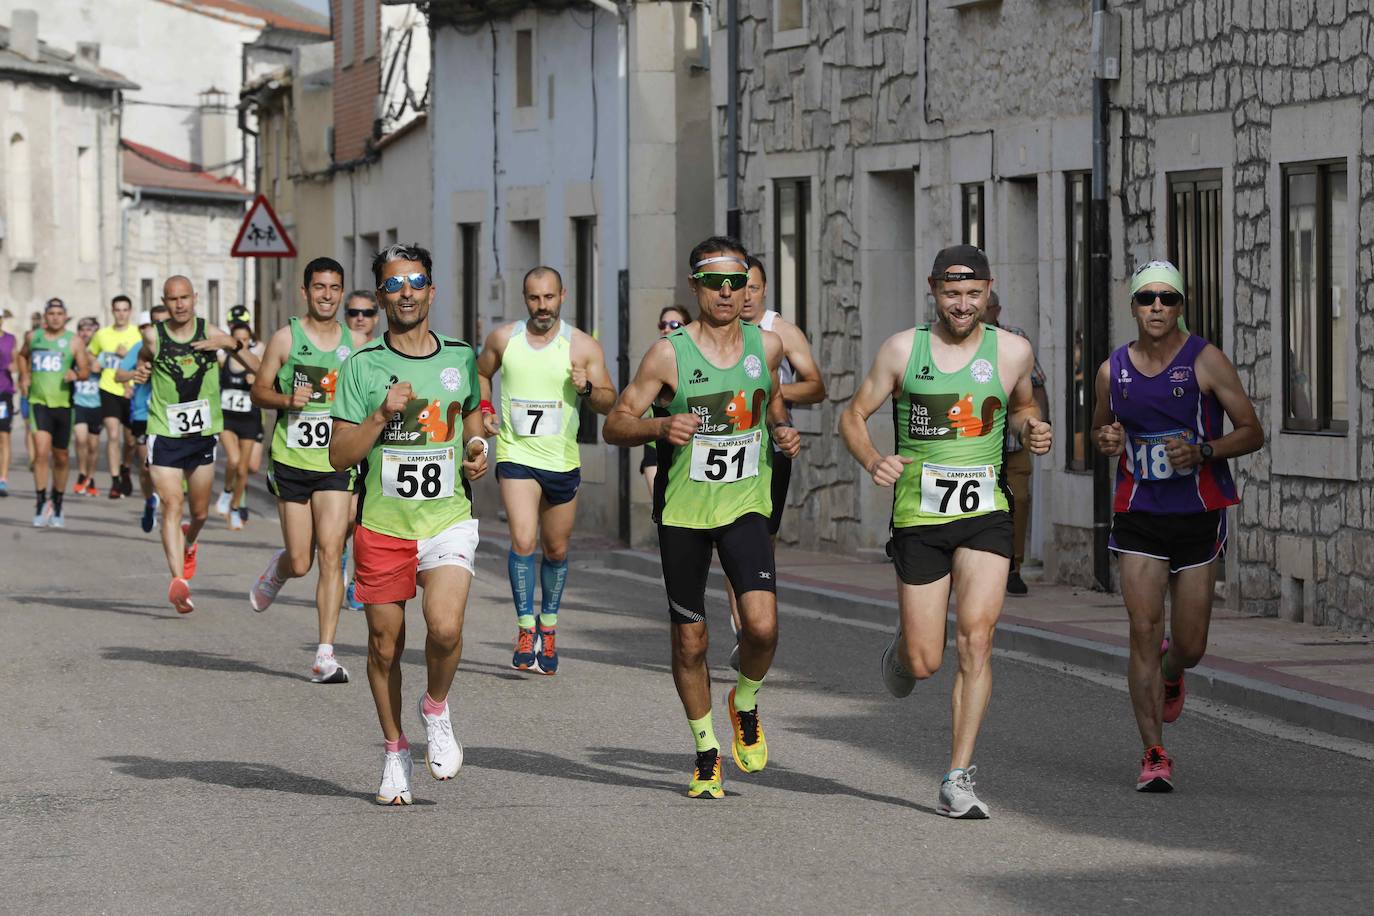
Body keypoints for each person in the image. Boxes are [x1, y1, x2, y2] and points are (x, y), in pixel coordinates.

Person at [839, 245, 1051, 819]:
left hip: (986, 512)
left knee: (977, 639)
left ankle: (958, 776)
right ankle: (904, 650)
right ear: (934, 290)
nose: (963, 305)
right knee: (926, 659)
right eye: (952, 294)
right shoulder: (904, 350)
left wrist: (1034, 429)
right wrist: (873, 460)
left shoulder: (1011, 351)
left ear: (989, 291)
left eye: (973, 294)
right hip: (919, 516)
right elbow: (852, 415)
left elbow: (1025, 406)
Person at [604, 235, 801, 799]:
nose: (725, 291)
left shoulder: (767, 348)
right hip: (685, 511)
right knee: (691, 641)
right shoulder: (669, 353)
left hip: (744, 503)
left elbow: (772, 407)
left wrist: (781, 431)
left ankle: (744, 701)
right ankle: (707, 750)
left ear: (747, 287)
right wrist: (658, 427)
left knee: (762, 627)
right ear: (695, 287)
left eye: (735, 281)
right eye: (714, 282)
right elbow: (616, 422)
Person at [1091, 260, 1263, 793]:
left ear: (1181, 305)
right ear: (1134, 307)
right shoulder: (1111, 370)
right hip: (1139, 515)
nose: (1157, 307)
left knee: (1189, 644)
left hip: (1196, 515)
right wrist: (1107, 441)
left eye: (1167, 298)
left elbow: (1253, 431)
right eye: (1147, 299)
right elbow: (1100, 427)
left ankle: (1173, 671)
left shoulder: (1205, 361)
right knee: (1143, 631)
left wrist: (1204, 450)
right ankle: (1154, 753)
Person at [329, 243, 489, 805]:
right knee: (383, 645)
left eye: (416, 281)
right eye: (394, 285)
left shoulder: (461, 357)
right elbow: (338, 456)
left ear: (432, 290)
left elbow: (472, 415)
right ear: (381, 297)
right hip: (383, 524)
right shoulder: (362, 367)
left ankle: (436, 708)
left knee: (444, 629)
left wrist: (475, 446)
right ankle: (395, 749)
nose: (407, 293)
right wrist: (380, 414)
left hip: (446, 518)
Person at [477, 266, 617, 675]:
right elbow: (482, 373)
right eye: (535, 298)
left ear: (563, 296)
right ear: (525, 298)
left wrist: (587, 387)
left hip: (561, 461)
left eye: (549, 298)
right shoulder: (505, 339)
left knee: (555, 549)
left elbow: (610, 402)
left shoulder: (583, 347)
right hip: (517, 456)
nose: (542, 306)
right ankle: (524, 627)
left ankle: (548, 627)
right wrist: (486, 410)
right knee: (523, 540)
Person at [248, 258, 369, 683]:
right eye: (320, 287)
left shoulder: (355, 345)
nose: (327, 295)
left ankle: (324, 655)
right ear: (305, 291)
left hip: (335, 462)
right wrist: (286, 402)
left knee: (331, 553)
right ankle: (278, 569)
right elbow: (259, 391)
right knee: (301, 561)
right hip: (291, 461)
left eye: (335, 288)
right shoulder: (286, 338)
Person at [726, 255, 827, 668]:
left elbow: (816, 386)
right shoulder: (716, 331)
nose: (746, 296)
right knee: (730, 535)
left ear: (765, 289)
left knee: (760, 539)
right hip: (726, 446)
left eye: (754, 287)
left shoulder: (781, 332)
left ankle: (754, 619)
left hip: (771, 446)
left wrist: (773, 396)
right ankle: (743, 629)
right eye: (740, 287)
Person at [137, 276, 257, 613]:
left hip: (202, 436)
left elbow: (257, 367)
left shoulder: (211, 331)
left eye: (184, 297)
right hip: (163, 432)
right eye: (172, 299)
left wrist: (230, 344)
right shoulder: (152, 336)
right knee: (172, 504)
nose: (179, 304)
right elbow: (142, 361)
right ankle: (179, 582)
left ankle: (190, 543)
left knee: (200, 512)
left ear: (195, 298)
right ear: (164, 300)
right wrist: (142, 369)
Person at [984, 290, 1050, 595]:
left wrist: (1040, 424)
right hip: (978, 448)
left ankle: (1013, 566)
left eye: (986, 308)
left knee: (1019, 500)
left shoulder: (1014, 339)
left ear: (997, 310)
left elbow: (1037, 386)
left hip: (1012, 442)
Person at [19, 298, 93, 527]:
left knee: (61, 457)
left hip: (63, 405)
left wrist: (75, 375)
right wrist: (24, 376)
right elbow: (22, 356)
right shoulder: (33, 337)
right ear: (45, 316)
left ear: (65, 316)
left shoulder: (74, 342)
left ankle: (58, 502)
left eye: (59, 313)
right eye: (51, 313)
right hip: (39, 402)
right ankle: (41, 501)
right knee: (41, 453)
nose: (55, 317)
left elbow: (85, 370)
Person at [342, 289, 380, 610]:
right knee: (345, 520)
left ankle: (358, 578)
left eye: (367, 313)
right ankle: (338, 559)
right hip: (345, 442)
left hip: (377, 446)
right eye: (353, 312)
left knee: (360, 515)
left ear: (376, 318)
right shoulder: (340, 352)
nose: (360, 318)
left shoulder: (386, 354)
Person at [115, 307, 169, 532]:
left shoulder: (183, 348)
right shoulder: (140, 347)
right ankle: (150, 501)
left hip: (171, 416)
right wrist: (135, 374)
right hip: (143, 414)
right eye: (155, 322)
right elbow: (119, 374)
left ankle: (170, 511)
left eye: (164, 322)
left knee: (167, 468)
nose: (159, 326)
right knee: (147, 468)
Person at [87, 294, 141, 499]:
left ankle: (126, 467)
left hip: (133, 390)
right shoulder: (102, 334)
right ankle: (115, 481)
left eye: (125, 310)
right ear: (112, 311)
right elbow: (91, 353)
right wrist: (96, 362)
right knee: (112, 435)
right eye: (117, 310)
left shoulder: (137, 333)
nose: (121, 314)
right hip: (108, 388)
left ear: (130, 311)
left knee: (131, 441)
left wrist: (127, 356)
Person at [217, 309, 265, 531]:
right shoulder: (222, 358)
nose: (242, 344)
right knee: (234, 461)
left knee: (244, 469)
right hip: (227, 418)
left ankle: (235, 507)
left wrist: (256, 379)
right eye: (238, 340)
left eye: (246, 340)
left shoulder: (257, 360)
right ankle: (227, 491)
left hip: (249, 419)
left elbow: (270, 379)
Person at [640, 306, 692, 499]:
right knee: (662, 512)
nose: (667, 329)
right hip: (655, 449)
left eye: (674, 324)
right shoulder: (654, 360)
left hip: (687, 453)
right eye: (663, 325)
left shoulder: (696, 361)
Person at [71, 317, 104, 496]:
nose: (85, 333)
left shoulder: (102, 353)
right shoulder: (74, 352)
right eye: (82, 329)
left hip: (97, 404)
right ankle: (82, 473)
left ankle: (91, 477)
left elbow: (109, 373)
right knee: (80, 439)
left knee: (93, 446)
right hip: (79, 402)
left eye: (89, 329)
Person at [0, 308, 15, 496]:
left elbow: (17, 363)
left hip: (3, 393)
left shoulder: (10, 339)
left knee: (3, 436)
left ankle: (2, 479)